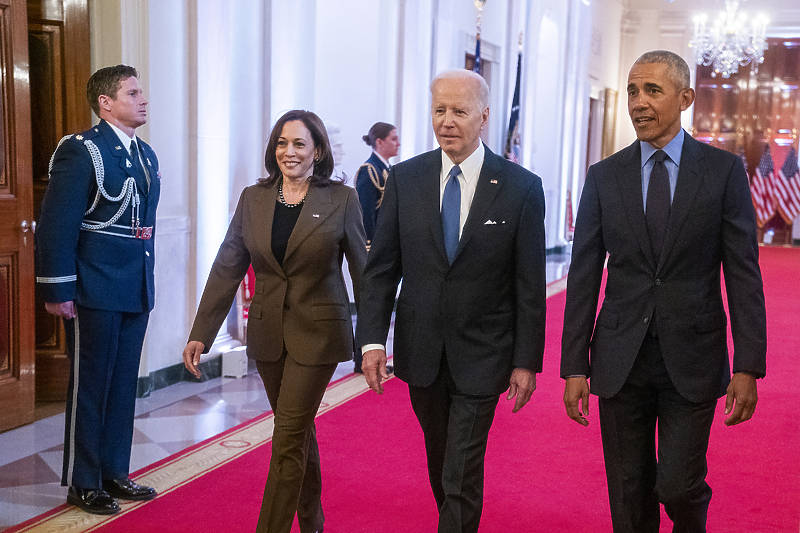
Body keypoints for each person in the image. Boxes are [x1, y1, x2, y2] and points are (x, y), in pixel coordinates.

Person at [561, 50, 767, 533]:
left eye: (652, 90)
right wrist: (574, 365)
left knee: (677, 485)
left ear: (686, 97)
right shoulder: (603, 176)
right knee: (629, 493)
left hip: (692, 357)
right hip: (618, 357)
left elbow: (743, 273)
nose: (638, 102)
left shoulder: (722, 172)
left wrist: (748, 365)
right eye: (633, 91)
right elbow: (584, 275)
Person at [356, 69, 547, 533]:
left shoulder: (521, 188)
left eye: (459, 111)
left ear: (483, 117)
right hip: (421, 352)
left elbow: (529, 285)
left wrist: (527, 361)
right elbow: (382, 269)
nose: (447, 121)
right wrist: (371, 342)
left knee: (460, 470)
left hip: (484, 353)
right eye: (439, 109)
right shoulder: (404, 179)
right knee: (443, 464)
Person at [182, 110, 367, 533]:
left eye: (299, 144)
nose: (289, 151)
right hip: (267, 334)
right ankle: (313, 522)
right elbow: (228, 264)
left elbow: (363, 271)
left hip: (319, 334)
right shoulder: (254, 198)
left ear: (317, 150)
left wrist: (372, 340)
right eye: (282, 143)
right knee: (297, 430)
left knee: (285, 438)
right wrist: (202, 332)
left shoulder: (341, 199)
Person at [35, 65, 160, 515]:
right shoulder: (81, 150)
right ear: (106, 102)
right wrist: (58, 286)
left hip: (133, 286)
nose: (143, 98)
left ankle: (114, 472)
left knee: (123, 383)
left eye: (141, 91)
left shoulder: (146, 154)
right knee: (91, 386)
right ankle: (83, 482)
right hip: (93, 287)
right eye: (133, 92)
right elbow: (57, 224)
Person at [354, 122, 400, 250]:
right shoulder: (369, 170)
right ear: (380, 142)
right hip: (376, 244)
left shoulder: (386, 169)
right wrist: (371, 245)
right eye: (394, 139)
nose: (398, 144)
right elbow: (365, 213)